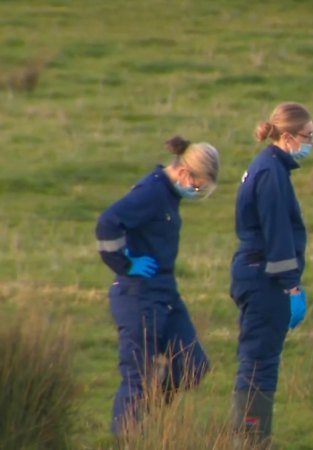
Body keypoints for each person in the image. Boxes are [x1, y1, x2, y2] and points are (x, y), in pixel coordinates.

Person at [95, 136, 220, 436]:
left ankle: (146, 412)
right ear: (184, 174)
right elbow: (107, 223)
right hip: (137, 296)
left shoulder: (169, 195)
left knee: (193, 365)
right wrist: (126, 264)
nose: (197, 191)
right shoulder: (151, 191)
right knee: (137, 378)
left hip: (166, 293)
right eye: (198, 186)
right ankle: (126, 437)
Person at [229, 102, 312, 445]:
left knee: (259, 359)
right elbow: (277, 236)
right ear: (288, 136)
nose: (311, 142)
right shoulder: (272, 173)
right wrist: (292, 288)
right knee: (259, 362)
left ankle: (252, 436)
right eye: (308, 136)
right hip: (264, 279)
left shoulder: (267, 167)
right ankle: (250, 438)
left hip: (256, 274)